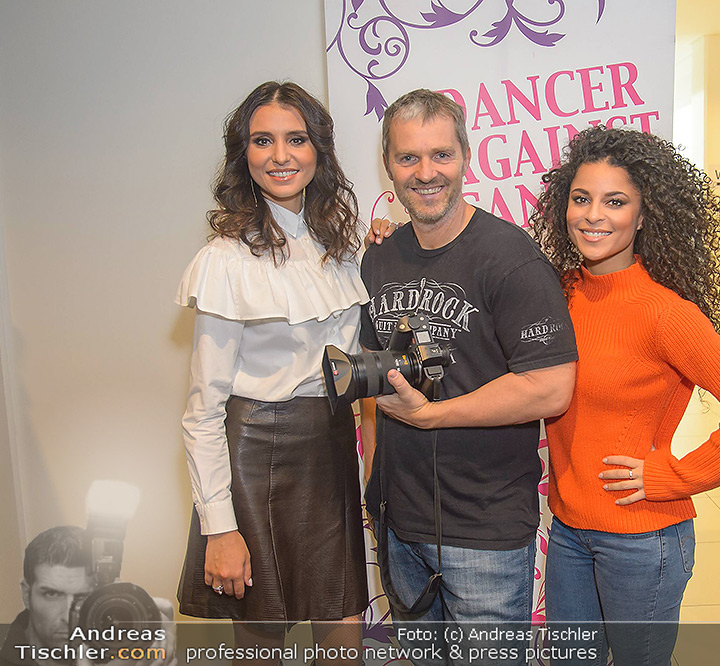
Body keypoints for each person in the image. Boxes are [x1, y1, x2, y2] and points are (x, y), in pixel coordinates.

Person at [531, 126, 720, 664]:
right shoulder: (556, 293)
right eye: (581, 198)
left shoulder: (665, 313)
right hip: (569, 531)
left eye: (615, 201)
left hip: (642, 539)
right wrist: (397, 243)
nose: (593, 215)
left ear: (644, 215)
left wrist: (673, 477)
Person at [359, 89, 578, 663]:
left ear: (466, 157)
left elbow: (551, 386)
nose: (426, 172)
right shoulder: (378, 257)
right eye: (408, 157)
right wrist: (374, 480)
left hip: (484, 530)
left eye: (441, 154)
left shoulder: (511, 258)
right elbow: (374, 381)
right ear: (388, 165)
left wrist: (434, 416)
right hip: (400, 524)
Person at [174, 81, 368, 664]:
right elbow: (203, 412)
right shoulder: (224, 259)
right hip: (256, 463)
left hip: (331, 451)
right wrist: (219, 527)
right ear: (244, 154)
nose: (280, 156)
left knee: (344, 638)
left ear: (318, 151)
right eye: (263, 141)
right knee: (262, 648)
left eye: (296, 139)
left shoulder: (342, 245)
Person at [1, 526, 175, 666]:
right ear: (26, 595)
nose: (68, 617)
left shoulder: (124, 652)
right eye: (52, 594)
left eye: (84, 598)